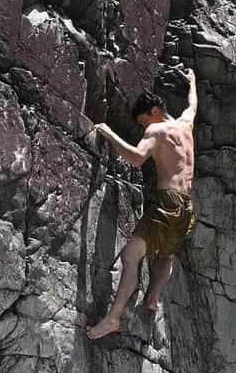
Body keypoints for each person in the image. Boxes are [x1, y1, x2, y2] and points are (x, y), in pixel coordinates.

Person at [85, 69, 198, 340]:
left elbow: (136, 158)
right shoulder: (186, 124)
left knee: (130, 256)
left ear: (155, 111)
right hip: (186, 209)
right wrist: (192, 83)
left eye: (143, 119)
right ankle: (153, 296)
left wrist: (109, 134)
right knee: (166, 255)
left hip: (166, 203)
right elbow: (193, 105)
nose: (143, 126)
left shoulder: (157, 130)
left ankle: (113, 318)